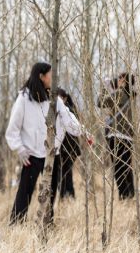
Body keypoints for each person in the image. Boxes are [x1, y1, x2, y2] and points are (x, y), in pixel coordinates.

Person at [5, 63, 82, 225]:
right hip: (31, 154)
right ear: (41, 76)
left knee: (51, 193)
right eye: (50, 75)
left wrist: (83, 132)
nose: (53, 78)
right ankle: (16, 224)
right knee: (25, 192)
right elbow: (12, 128)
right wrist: (19, 148)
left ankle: (47, 224)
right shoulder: (24, 98)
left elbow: (68, 119)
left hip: (52, 153)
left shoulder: (54, 98)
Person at [99, 72, 136, 200]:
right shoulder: (132, 95)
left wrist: (105, 87)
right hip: (128, 136)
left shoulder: (119, 94)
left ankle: (124, 195)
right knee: (126, 166)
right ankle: (130, 194)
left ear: (125, 82)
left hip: (117, 135)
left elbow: (100, 102)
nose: (118, 80)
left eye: (121, 79)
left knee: (118, 168)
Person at [57, 88, 81, 199]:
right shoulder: (64, 109)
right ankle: (65, 195)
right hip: (64, 147)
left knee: (65, 172)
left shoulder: (68, 110)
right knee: (64, 172)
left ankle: (67, 195)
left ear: (65, 98)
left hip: (69, 147)